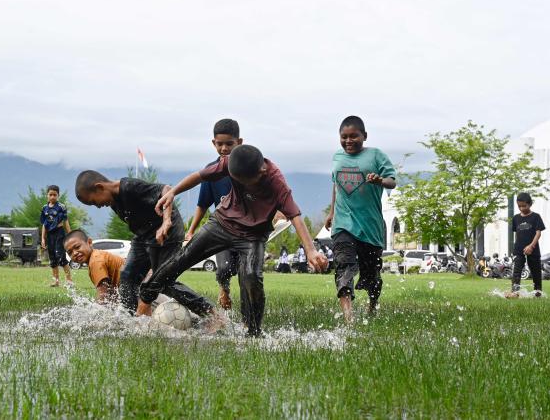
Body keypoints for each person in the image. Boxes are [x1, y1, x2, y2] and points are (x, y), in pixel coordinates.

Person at [137, 145, 327, 337]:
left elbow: (295, 216)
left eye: (246, 182)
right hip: (222, 223)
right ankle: (145, 299)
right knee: (183, 258)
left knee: (251, 277)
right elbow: (200, 176)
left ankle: (253, 332)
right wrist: (173, 192)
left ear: (261, 171)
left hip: (253, 236)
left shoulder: (277, 183)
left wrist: (310, 250)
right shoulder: (230, 162)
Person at [74, 170, 214, 316]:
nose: (97, 206)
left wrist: (166, 221)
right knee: (127, 276)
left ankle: (211, 314)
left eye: (93, 202)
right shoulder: (113, 201)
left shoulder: (129, 187)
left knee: (162, 281)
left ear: (100, 187)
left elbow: (165, 190)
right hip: (144, 236)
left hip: (167, 233)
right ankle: (135, 319)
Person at [324, 116, 396, 323]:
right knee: (343, 265)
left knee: (371, 275)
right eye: (344, 137)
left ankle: (372, 306)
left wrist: (380, 180)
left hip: (370, 226)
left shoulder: (376, 155)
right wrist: (331, 213)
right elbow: (336, 184)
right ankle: (349, 317)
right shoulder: (337, 157)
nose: (349, 140)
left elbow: (392, 181)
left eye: (354, 136)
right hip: (343, 223)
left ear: (364, 136)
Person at [185, 119, 242, 309]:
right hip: (223, 229)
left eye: (229, 144)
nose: (224, 148)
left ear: (239, 142)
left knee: (248, 273)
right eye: (220, 144)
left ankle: (249, 314)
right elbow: (202, 205)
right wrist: (191, 230)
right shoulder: (211, 171)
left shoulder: (247, 167)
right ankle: (224, 289)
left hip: (247, 231)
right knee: (224, 268)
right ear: (213, 143)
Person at [507, 192, 545, 298]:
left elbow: (538, 233)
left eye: (524, 206)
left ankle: (538, 293)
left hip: (533, 249)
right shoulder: (515, 218)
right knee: (517, 271)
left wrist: (531, 246)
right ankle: (514, 292)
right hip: (519, 250)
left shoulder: (536, 217)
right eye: (519, 206)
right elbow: (517, 234)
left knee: (536, 272)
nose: (522, 208)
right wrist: (516, 248)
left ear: (530, 204)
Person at [40, 185, 73, 287]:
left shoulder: (61, 207)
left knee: (61, 257)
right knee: (53, 259)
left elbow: (66, 222)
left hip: (59, 234)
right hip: (50, 235)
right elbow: (44, 225)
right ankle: (56, 281)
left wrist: (71, 235)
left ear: (58, 195)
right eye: (50, 195)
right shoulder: (44, 208)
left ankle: (69, 280)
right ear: (47, 195)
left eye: (55, 195)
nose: (52, 197)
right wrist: (43, 238)